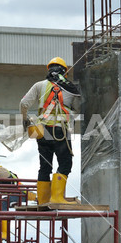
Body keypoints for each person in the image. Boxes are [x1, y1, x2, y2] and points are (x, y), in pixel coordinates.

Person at [20, 57, 81, 205]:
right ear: (64, 72)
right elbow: (79, 109)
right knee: (65, 164)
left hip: (41, 131)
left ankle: (43, 199)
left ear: (49, 70)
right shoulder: (70, 88)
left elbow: (23, 103)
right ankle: (57, 197)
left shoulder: (39, 85)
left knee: (45, 166)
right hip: (60, 131)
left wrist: (25, 119)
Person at [0, 158, 36, 243]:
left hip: (22, 195)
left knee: (3, 204)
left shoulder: (1, 170)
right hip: (14, 195)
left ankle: (5, 233)